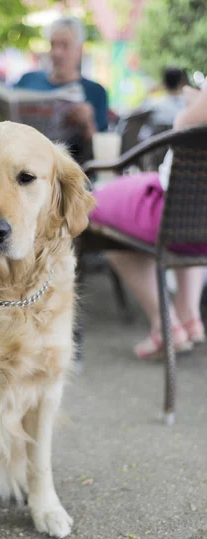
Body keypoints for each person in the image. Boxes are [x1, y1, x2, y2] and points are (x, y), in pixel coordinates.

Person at [90, 85, 207, 360]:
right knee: (184, 201)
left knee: (96, 206)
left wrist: (194, 101)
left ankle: (164, 325)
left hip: (175, 214)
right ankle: (189, 316)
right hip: (195, 218)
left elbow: (185, 128)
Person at [14, 17, 108, 161]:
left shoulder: (95, 92)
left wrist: (87, 125)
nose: (57, 53)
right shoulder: (27, 80)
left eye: (65, 46)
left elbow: (103, 153)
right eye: (53, 45)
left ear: (79, 50)